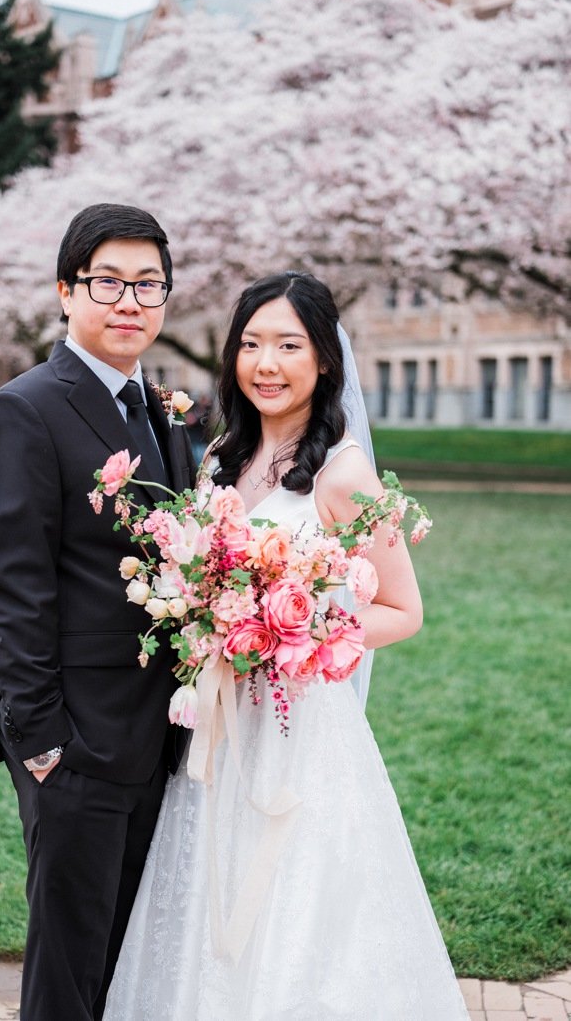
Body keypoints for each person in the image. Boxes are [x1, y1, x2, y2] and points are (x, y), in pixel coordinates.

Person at [104, 271, 468, 1019]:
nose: (266, 363)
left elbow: (404, 609)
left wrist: (293, 634)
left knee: (301, 910)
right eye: (251, 344)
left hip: (302, 731)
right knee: (206, 893)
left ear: (326, 360)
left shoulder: (346, 474)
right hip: (219, 730)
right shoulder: (216, 462)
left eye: (288, 345)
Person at [0, 203, 197, 1021]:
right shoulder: (24, 409)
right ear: (66, 291)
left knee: (130, 960)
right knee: (69, 973)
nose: (129, 301)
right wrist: (42, 742)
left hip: (162, 735)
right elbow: (13, 587)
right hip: (75, 745)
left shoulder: (167, 413)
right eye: (108, 283)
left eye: (148, 285)